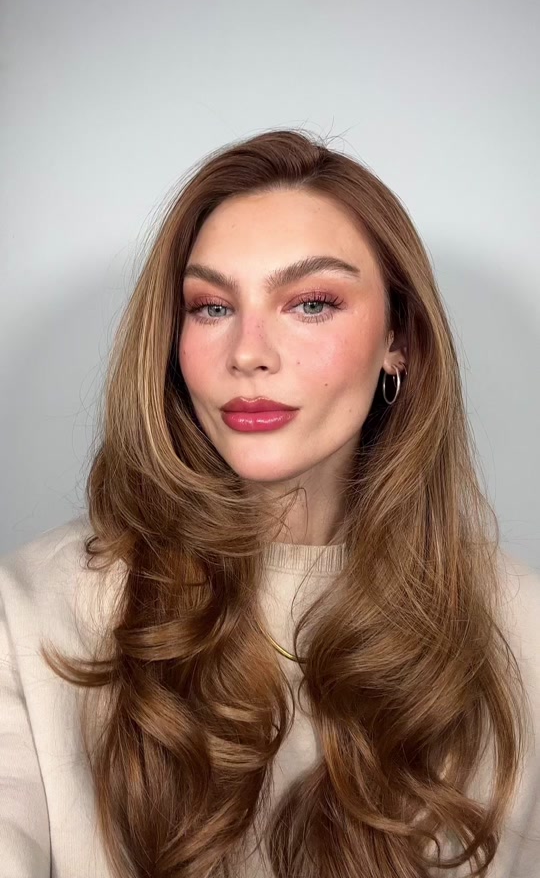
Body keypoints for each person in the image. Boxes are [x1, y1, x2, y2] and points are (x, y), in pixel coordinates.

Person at [1, 128, 539, 878]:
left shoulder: (519, 627)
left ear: (401, 340)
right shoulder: (31, 612)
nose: (248, 352)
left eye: (311, 303)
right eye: (211, 307)